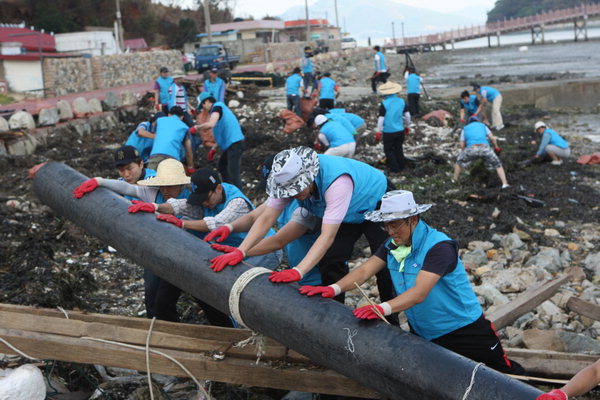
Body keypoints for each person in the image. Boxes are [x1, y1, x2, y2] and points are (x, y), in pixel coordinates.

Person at [299, 189, 524, 375]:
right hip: (425, 333)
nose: (390, 230)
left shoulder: (439, 247)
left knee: (506, 377)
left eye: (395, 224)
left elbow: (419, 293)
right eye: (386, 225)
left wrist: (382, 308)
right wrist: (332, 288)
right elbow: (366, 269)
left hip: (465, 331)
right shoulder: (391, 245)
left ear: (413, 219)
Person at [209, 146, 397, 309]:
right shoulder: (284, 179)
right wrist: (241, 251)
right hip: (346, 212)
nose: (294, 195)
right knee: (332, 259)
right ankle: (335, 311)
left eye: (297, 190)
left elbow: (326, 236)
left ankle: (392, 317)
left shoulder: (337, 183)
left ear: (309, 178)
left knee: (385, 260)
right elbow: (266, 217)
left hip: (376, 200)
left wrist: (299, 270)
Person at [148, 168, 282, 324]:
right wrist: (155, 207)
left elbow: (217, 223)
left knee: (239, 289)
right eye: (201, 199)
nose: (204, 203)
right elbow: (181, 205)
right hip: (234, 250)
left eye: (206, 199)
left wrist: (183, 223)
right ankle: (231, 329)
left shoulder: (237, 202)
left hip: (263, 249)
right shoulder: (209, 197)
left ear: (218, 189)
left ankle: (244, 331)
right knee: (226, 290)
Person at [72, 158, 193, 319]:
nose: (165, 190)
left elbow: (177, 209)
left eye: (170, 185)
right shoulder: (154, 192)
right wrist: (99, 181)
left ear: (180, 184)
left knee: (198, 301)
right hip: (158, 251)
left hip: (186, 255)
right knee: (154, 300)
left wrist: (157, 209)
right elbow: (128, 188)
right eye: (163, 185)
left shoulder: (191, 199)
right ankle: (161, 334)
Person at [207, 155, 322, 286]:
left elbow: (279, 240)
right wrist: (229, 227)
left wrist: (241, 251)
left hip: (313, 274)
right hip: (297, 269)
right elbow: (253, 217)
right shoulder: (281, 197)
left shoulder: (304, 208)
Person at [194, 93, 245, 190]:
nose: (204, 108)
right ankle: (228, 188)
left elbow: (211, 124)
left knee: (234, 173)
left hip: (235, 144)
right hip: (231, 144)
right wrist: (214, 148)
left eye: (203, 105)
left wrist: (196, 128)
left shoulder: (217, 107)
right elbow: (223, 131)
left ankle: (240, 196)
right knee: (222, 165)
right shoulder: (219, 111)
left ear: (208, 101)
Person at [453, 116, 509, 189]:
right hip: (485, 148)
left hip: (471, 148)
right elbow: (492, 138)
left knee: (459, 162)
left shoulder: (465, 128)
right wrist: (496, 147)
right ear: (478, 121)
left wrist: (464, 152)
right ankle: (504, 184)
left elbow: (462, 144)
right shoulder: (483, 126)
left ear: (469, 122)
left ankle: (454, 180)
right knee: (497, 164)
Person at [147, 106, 194, 174]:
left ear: (169, 114)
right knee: (171, 182)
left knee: (150, 179)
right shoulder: (184, 127)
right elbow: (188, 150)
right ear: (182, 117)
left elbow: (156, 136)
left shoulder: (159, 120)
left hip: (155, 155)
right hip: (172, 158)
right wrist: (190, 167)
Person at [376, 81, 411, 174]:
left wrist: (378, 131)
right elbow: (407, 116)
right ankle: (402, 165)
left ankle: (395, 168)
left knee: (388, 150)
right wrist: (408, 126)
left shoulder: (384, 103)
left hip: (388, 131)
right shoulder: (402, 101)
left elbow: (381, 119)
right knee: (399, 148)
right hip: (400, 130)